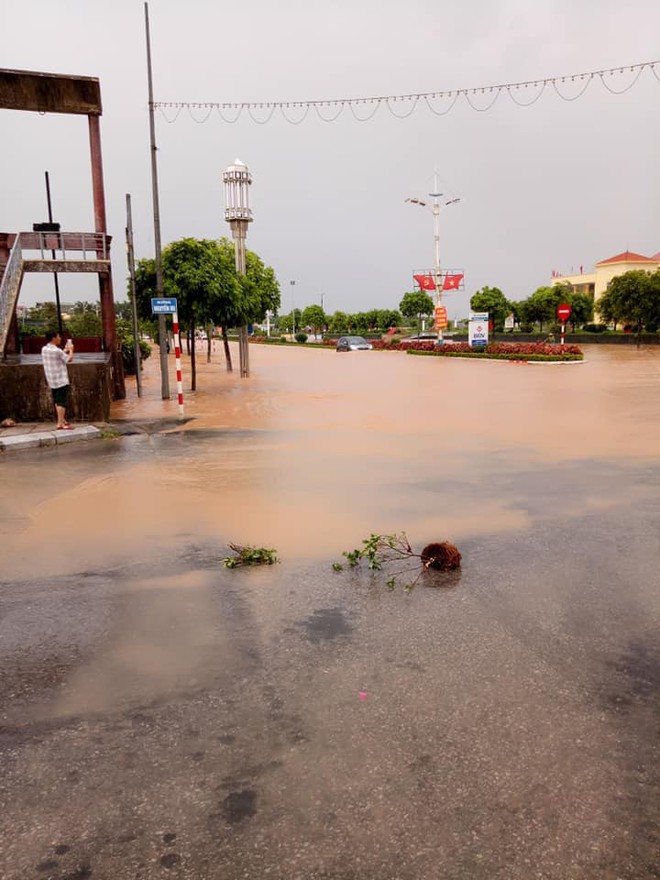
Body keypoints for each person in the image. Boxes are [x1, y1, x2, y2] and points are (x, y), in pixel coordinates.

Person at [41, 330, 74, 430]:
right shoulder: (57, 351)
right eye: (58, 337)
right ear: (53, 338)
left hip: (52, 379)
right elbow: (69, 359)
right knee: (62, 402)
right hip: (60, 379)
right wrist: (71, 350)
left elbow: (58, 356)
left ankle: (62, 420)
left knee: (57, 400)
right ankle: (60, 423)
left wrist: (64, 351)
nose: (60, 338)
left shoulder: (44, 349)